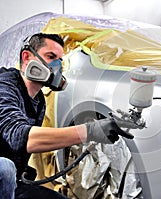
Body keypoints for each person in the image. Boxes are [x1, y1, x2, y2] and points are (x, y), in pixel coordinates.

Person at [0, 33, 126, 198]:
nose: (56, 66)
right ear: (27, 57)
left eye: (60, 60)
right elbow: (19, 137)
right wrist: (90, 131)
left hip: (14, 183)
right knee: (5, 167)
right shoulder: (5, 86)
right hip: (4, 174)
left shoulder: (38, 101)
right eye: (50, 56)